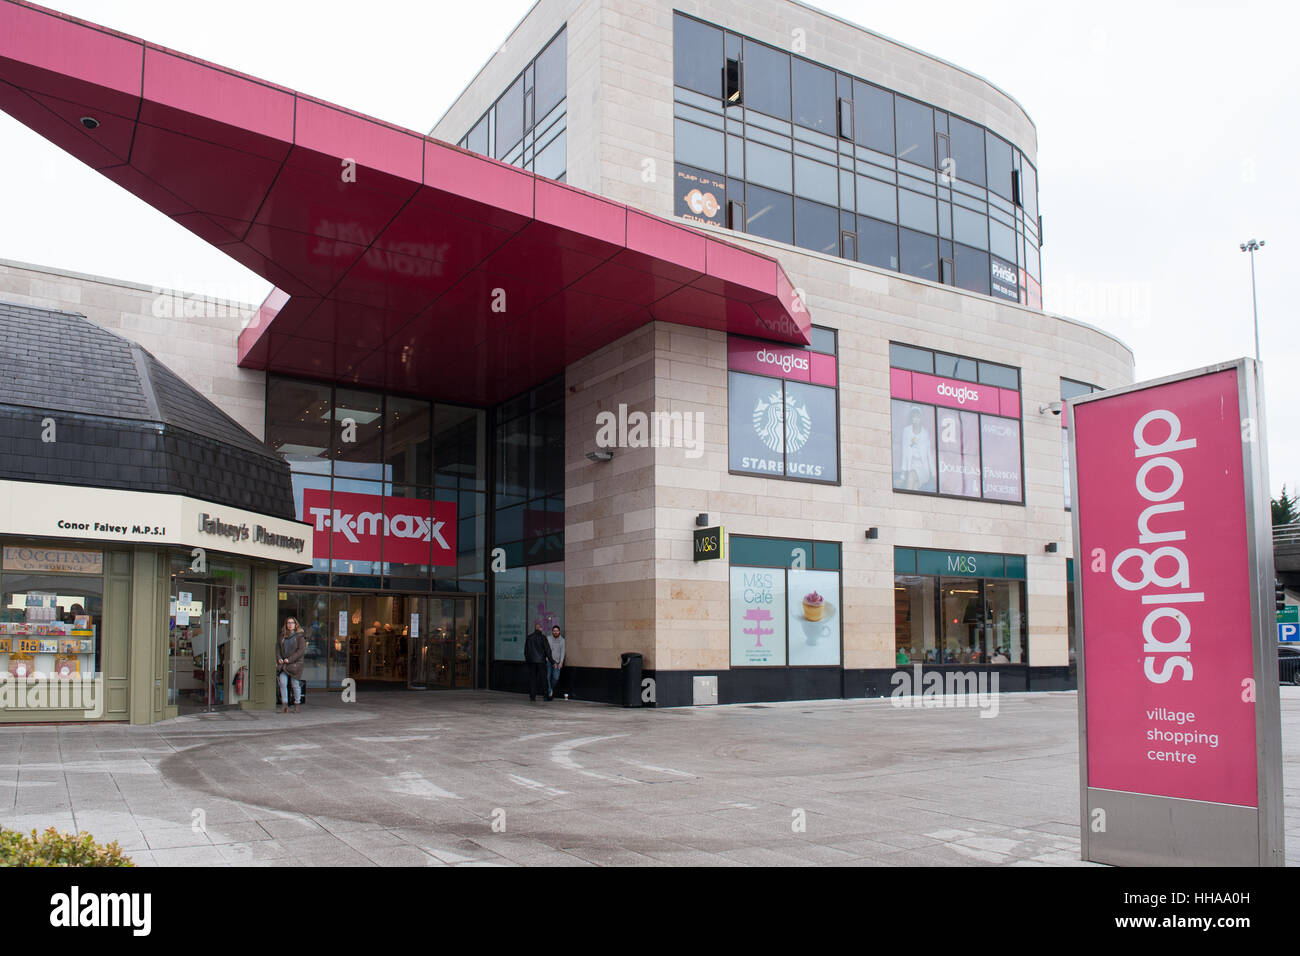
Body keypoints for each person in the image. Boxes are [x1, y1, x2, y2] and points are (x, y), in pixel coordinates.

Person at [898, 406, 935, 491]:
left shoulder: (925, 434)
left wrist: (933, 474)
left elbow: (929, 454)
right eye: (914, 416)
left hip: (923, 468)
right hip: (911, 466)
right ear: (911, 418)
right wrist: (902, 475)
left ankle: (904, 503)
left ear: (921, 418)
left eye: (918, 416)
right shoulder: (906, 431)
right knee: (914, 488)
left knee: (911, 476)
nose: (916, 419)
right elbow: (905, 452)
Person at [277, 617, 306, 713]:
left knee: (295, 684)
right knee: (283, 683)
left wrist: (289, 659)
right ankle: (284, 705)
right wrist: (279, 659)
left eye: (292, 623)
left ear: (295, 624)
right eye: (288, 623)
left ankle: (297, 705)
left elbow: (301, 651)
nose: (290, 624)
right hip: (284, 665)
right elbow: (277, 649)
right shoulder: (282, 636)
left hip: (295, 665)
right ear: (286, 624)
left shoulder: (300, 637)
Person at [523, 625, 554, 702]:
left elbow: (526, 651)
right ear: (540, 629)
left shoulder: (529, 637)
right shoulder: (543, 637)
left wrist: (528, 661)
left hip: (532, 662)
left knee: (532, 679)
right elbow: (548, 650)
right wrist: (552, 661)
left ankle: (532, 697)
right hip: (541, 662)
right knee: (544, 679)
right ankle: (546, 696)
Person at [546, 624, 566, 700]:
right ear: (552, 631)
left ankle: (549, 688)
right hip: (549, 661)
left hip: (557, 662)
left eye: (557, 631)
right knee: (547, 677)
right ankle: (549, 691)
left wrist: (561, 662)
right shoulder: (548, 638)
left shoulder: (562, 640)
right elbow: (546, 650)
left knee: (556, 677)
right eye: (554, 631)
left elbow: (563, 652)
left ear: (559, 631)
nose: (555, 632)